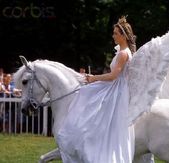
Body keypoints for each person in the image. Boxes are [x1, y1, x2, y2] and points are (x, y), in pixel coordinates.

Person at [57, 16, 136, 163]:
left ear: (123, 35)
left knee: (86, 94)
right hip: (117, 87)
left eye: (115, 33)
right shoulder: (123, 51)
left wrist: (94, 78)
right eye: (113, 33)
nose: (113, 36)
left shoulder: (123, 53)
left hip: (116, 90)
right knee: (88, 94)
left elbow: (113, 76)